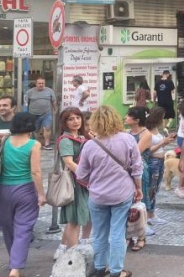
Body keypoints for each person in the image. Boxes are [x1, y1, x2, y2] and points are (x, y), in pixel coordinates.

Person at [76, 106, 143, 277]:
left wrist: (93, 182)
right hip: (122, 193)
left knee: (99, 233)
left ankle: (99, 267)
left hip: (98, 195)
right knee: (118, 233)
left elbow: (81, 174)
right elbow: (136, 168)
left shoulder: (89, 145)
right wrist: (138, 188)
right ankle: (116, 271)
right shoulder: (128, 140)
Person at [0, 112, 46, 277]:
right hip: (25, 189)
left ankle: (14, 261)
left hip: (4, 189)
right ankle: (15, 268)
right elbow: (35, 171)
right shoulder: (34, 144)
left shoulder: (5, 142)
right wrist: (41, 194)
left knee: (8, 227)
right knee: (23, 228)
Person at [53, 108, 94, 260]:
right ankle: (72, 256)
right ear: (64, 123)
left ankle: (64, 249)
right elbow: (69, 162)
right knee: (75, 219)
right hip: (75, 184)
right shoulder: (66, 140)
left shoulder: (84, 137)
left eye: (78, 117)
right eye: (71, 119)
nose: (76, 121)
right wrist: (87, 176)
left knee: (85, 216)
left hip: (84, 183)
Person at [124, 107, 151, 249]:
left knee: (141, 202)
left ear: (137, 120)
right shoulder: (127, 133)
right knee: (127, 204)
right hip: (127, 170)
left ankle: (142, 236)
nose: (125, 117)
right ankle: (128, 236)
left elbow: (135, 153)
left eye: (129, 116)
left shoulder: (146, 134)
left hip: (140, 170)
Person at [145, 107, 173, 226]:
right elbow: (147, 151)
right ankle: (147, 214)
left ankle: (152, 213)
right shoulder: (147, 131)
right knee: (151, 188)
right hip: (153, 161)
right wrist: (163, 142)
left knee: (155, 188)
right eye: (163, 117)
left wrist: (166, 141)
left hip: (160, 161)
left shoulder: (157, 129)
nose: (164, 119)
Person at [25, 77, 57, 150]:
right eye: (39, 83)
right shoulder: (30, 92)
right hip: (33, 114)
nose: (41, 85)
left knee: (47, 128)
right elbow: (26, 103)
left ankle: (47, 144)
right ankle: (36, 144)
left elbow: (54, 101)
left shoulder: (50, 91)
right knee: (35, 130)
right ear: (36, 84)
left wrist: (55, 109)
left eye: (42, 83)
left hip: (46, 113)